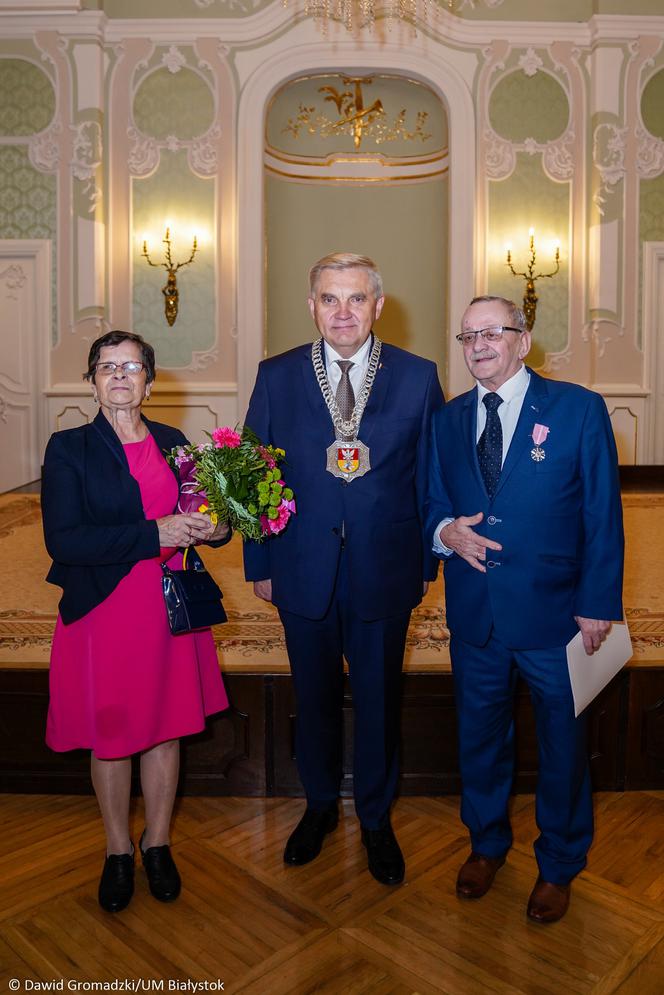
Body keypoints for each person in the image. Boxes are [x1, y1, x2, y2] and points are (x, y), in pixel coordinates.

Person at [243, 252, 444, 885]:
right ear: (312, 306)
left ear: (379, 306)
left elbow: (430, 477)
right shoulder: (276, 376)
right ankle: (321, 806)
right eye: (330, 299)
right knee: (316, 696)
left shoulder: (418, 376)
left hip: (385, 568)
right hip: (300, 567)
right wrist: (259, 559)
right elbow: (254, 475)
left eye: (356, 299)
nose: (343, 312)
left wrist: (426, 561)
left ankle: (377, 819)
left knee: (381, 700)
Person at [425, 295, 624, 922]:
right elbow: (431, 501)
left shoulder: (578, 409)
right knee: (479, 739)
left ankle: (560, 861)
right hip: (476, 614)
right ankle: (486, 844)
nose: (478, 345)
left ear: (524, 339)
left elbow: (602, 514)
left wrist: (598, 603)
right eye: (467, 336)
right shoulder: (448, 419)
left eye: (493, 332)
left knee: (563, 744)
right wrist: (445, 533)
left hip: (557, 615)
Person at [42, 330, 230, 914]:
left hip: (166, 606)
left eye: (131, 367)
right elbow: (63, 540)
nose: (119, 376)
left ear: (150, 380)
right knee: (112, 731)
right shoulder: (69, 447)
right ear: (92, 380)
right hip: (103, 610)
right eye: (107, 367)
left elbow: (199, 512)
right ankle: (118, 850)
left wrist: (215, 526)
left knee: (165, 727)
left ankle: (158, 844)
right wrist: (155, 534)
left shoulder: (174, 441)